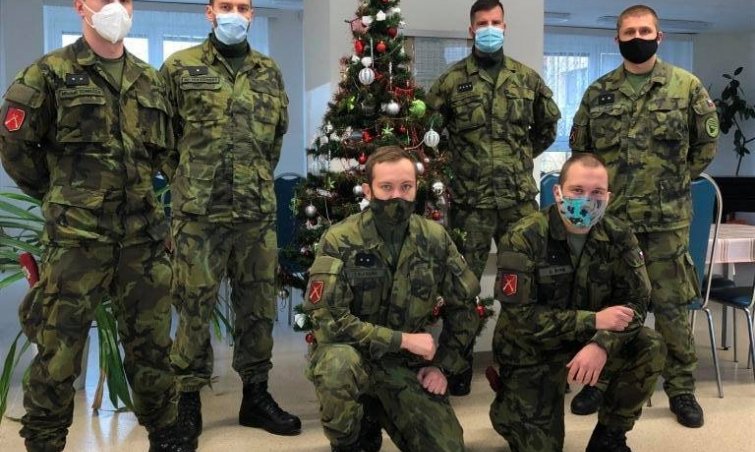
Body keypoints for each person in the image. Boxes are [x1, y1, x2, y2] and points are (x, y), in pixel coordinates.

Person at [0, 1, 192, 451]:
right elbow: (14, 148)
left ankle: (166, 434)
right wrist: (63, 196)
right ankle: (45, 440)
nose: (115, 8)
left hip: (142, 242)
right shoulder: (47, 75)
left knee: (152, 349)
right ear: (80, 6)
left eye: (124, 0)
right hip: (77, 242)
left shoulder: (150, 81)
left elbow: (166, 153)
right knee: (58, 351)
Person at [568, 4, 719, 428]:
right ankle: (600, 381)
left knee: (671, 308)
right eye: (630, 31)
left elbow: (706, 146)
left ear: (659, 36)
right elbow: (582, 153)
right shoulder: (598, 92)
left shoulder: (686, 87)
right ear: (616, 38)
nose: (638, 37)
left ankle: (681, 388)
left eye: (645, 31)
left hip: (667, 222)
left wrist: (673, 181)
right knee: (609, 304)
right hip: (612, 222)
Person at [159, 0, 300, 441]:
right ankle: (187, 402)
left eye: (243, 6)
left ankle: (255, 396)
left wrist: (250, 177)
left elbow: (274, 140)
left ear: (252, 14)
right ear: (209, 12)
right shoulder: (179, 67)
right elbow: (162, 140)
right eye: (226, 5)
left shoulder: (268, 71)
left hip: (255, 213)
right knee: (193, 306)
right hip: (199, 215)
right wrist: (190, 180)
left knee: (258, 307)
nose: (234, 13)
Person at [304, 146, 481, 452]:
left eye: (406, 187)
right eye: (386, 187)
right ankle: (352, 437)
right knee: (336, 366)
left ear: (416, 188)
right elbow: (329, 323)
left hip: (404, 366)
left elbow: (465, 306)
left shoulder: (434, 238)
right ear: (368, 190)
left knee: (447, 447)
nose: (396, 196)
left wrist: (443, 366)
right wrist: (402, 340)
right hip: (354, 356)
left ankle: (381, 410)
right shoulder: (340, 239)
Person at [426, 0, 561, 395]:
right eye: (482, 23)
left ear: (505, 26)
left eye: (495, 22)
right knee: (462, 287)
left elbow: (548, 128)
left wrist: (517, 159)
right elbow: (430, 135)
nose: (489, 28)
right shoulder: (451, 82)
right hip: (470, 204)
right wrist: (459, 165)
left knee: (526, 281)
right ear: (471, 29)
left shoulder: (527, 79)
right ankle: (458, 362)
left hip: (518, 200)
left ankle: (519, 360)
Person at [489, 154, 666, 452]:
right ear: (558, 193)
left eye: (597, 192)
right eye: (577, 190)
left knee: (650, 345)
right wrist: (593, 321)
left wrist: (601, 344)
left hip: (589, 339)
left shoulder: (619, 235)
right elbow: (521, 318)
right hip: (531, 348)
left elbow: (637, 301)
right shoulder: (524, 236)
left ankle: (609, 436)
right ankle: (508, 411)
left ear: (608, 197)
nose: (587, 200)